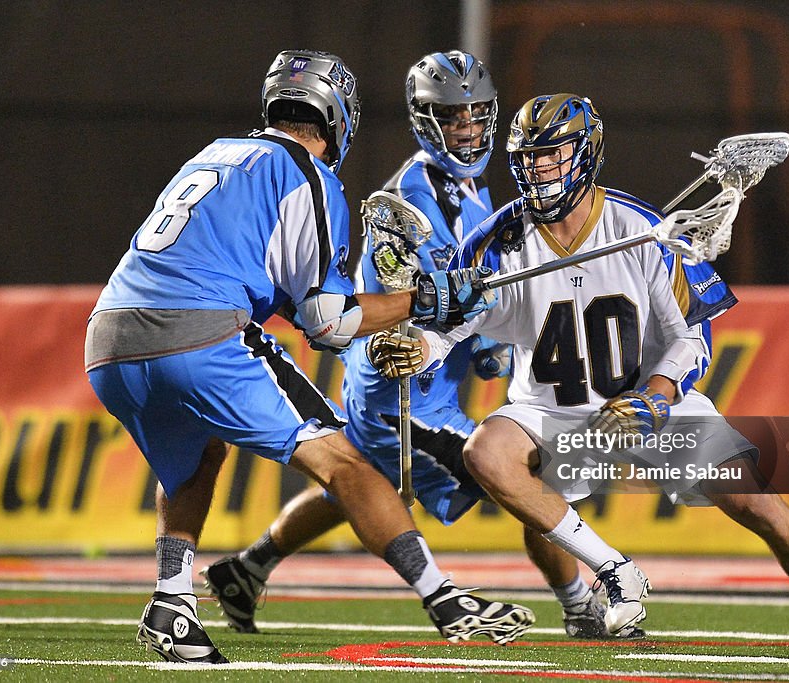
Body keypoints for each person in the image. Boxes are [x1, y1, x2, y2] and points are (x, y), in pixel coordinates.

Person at [369, 93, 789, 655]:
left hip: (646, 400)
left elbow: (692, 336)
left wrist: (657, 397)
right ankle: (597, 589)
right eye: (528, 156)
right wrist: (415, 349)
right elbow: (452, 327)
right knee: (492, 458)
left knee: (755, 502)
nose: (538, 167)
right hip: (551, 406)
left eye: (553, 153)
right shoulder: (496, 242)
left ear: (586, 151)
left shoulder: (642, 230)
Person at [84, 49, 535, 665]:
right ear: (338, 113)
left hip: (107, 336)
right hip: (201, 335)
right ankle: (446, 599)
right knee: (346, 462)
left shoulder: (213, 153)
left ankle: (172, 602)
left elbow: (297, 304)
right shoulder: (310, 177)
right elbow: (329, 322)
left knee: (196, 457)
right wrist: (425, 298)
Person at [203, 51, 619, 641]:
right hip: (402, 390)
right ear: (425, 121)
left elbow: (467, 290)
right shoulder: (415, 196)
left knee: (358, 483)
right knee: (527, 474)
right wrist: (456, 333)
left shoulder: (469, 190)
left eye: (477, 116)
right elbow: (407, 301)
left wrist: (481, 334)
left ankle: (248, 569)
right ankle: (581, 605)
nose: (468, 130)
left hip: (416, 387)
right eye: (453, 118)